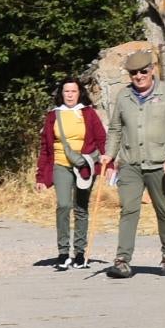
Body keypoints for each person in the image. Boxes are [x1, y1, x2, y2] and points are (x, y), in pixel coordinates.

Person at [104, 47, 165, 278]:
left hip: (160, 163)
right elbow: (115, 129)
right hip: (130, 163)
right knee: (129, 209)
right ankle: (122, 260)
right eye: (133, 73)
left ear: (151, 70)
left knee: (164, 210)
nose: (138, 77)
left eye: (143, 71)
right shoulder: (123, 96)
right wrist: (109, 154)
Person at [36, 77, 108, 270]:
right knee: (64, 205)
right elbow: (45, 147)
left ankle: (80, 252)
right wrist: (41, 176)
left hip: (85, 165)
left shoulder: (88, 113)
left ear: (79, 93)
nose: (69, 95)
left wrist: (107, 163)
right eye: (66, 91)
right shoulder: (53, 115)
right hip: (60, 164)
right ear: (61, 94)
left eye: (73, 91)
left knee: (81, 207)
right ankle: (63, 252)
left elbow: (101, 139)